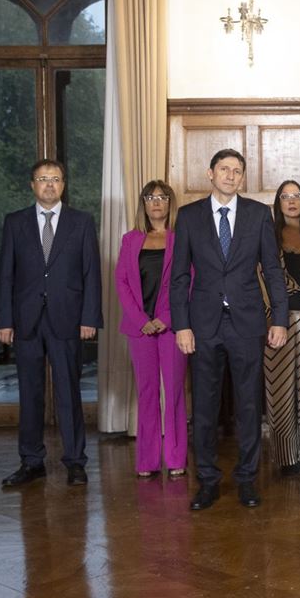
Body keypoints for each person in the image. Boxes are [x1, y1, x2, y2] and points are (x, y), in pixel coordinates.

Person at [170, 148, 288, 510]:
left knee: (249, 406)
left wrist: (279, 319)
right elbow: (177, 278)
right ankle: (206, 481)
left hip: (248, 324)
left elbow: (272, 269)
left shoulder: (257, 214)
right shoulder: (189, 216)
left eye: (237, 171)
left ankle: (246, 480)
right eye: (224, 169)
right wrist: (182, 326)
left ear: (242, 177)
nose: (230, 176)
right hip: (203, 325)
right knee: (204, 408)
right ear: (210, 173)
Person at [0, 159, 102, 487]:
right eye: (43, 179)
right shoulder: (14, 223)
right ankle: (31, 461)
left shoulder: (81, 222)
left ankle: (74, 461)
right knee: (29, 393)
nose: (50, 185)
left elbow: (91, 274)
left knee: (69, 391)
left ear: (63, 184)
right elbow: (6, 276)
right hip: (26, 321)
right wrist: (4, 320)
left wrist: (89, 318)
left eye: (55, 179)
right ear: (32, 185)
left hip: (68, 319)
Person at [115, 180, 187, 479]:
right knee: (146, 393)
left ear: (170, 203)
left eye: (162, 197)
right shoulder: (130, 240)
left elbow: (188, 281)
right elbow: (122, 283)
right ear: (143, 203)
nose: (156, 202)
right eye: (150, 197)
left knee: (174, 393)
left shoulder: (181, 238)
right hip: (139, 328)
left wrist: (167, 318)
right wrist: (141, 319)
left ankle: (175, 458)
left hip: (172, 328)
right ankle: (147, 461)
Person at [264, 180, 300, 475]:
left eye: (296, 195)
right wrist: (272, 317)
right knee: (280, 391)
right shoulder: (268, 235)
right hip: (278, 323)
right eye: (285, 196)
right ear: (278, 201)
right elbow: (260, 278)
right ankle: (285, 457)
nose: (291, 201)